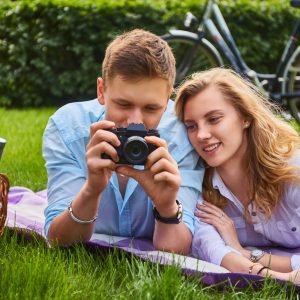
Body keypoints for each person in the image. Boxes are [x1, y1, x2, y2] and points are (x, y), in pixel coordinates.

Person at [42, 29, 203, 254]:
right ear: (101, 90)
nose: (134, 122)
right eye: (123, 105)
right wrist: (91, 190)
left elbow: (177, 251)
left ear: (167, 102)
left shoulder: (180, 137)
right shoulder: (68, 128)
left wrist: (166, 207)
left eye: (151, 108)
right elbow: (58, 240)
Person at [174, 67, 300, 283]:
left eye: (214, 119)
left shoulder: (291, 170)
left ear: (245, 118)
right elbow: (212, 249)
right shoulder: (197, 184)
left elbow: (235, 256)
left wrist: (250, 255)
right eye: (191, 126)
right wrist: (281, 278)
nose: (202, 135)